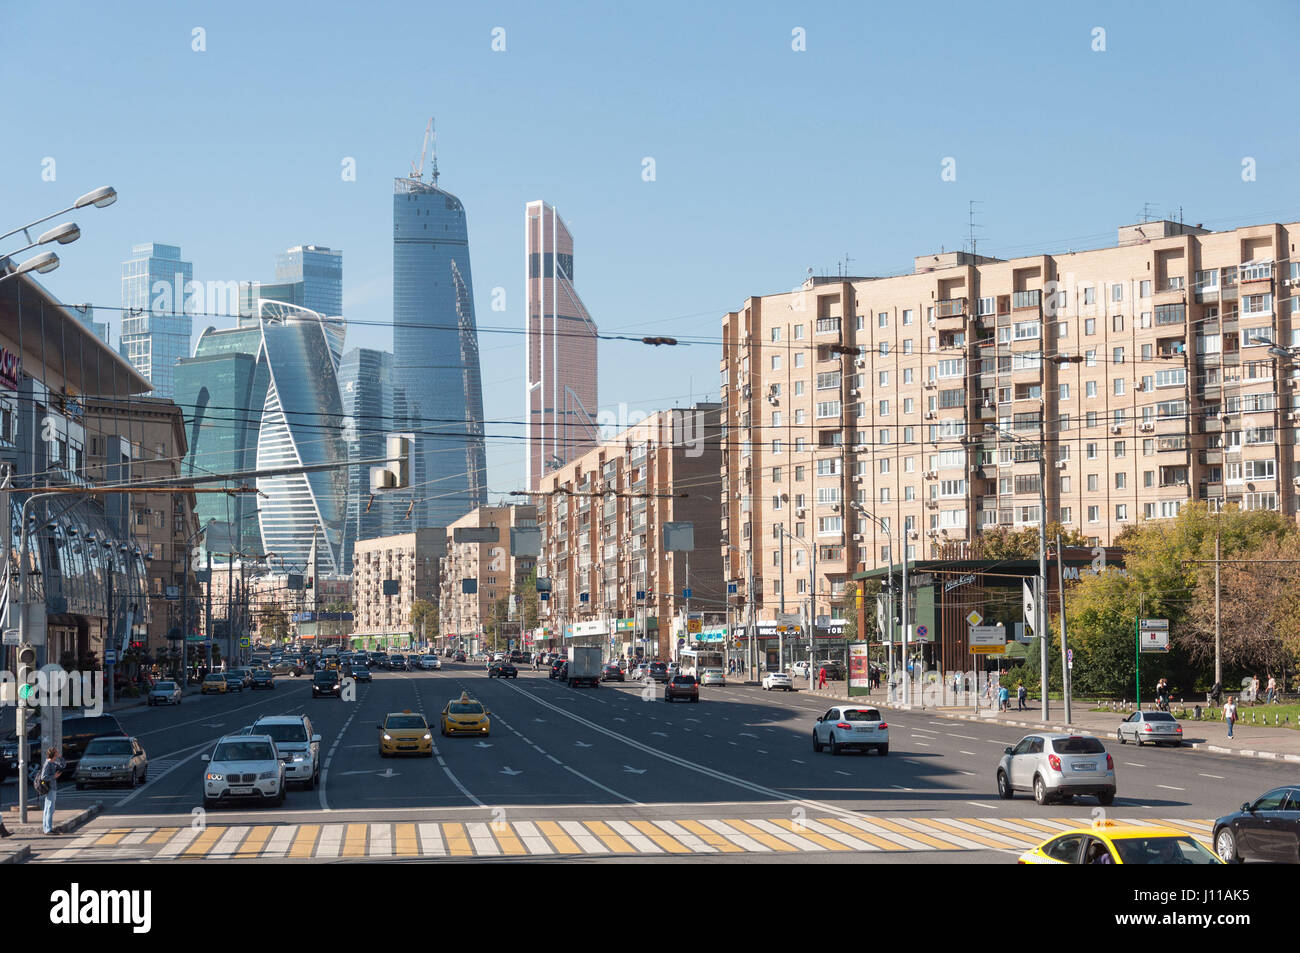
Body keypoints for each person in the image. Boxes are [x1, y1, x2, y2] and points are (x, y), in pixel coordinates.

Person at [38, 747, 66, 835]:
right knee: (50, 808)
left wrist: (61, 758)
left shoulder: (53, 762)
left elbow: (63, 765)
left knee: (48, 808)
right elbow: (43, 777)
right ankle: (48, 829)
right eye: (57, 752)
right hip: (50, 788)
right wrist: (54, 776)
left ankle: (47, 828)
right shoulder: (48, 763)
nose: (58, 753)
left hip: (52, 787)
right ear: (53, 754)